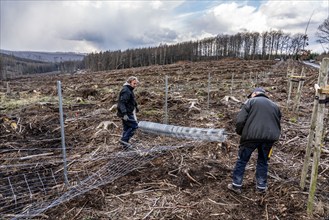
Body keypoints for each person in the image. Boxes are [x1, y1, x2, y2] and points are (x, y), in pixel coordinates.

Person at [228, 87, 281, 194]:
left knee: (242, 160)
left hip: (250, 137)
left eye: (251, 94)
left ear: (255, 93)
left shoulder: (250, 102)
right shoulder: (275, 106)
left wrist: (240, 132)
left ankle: (236, 185)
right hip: (269, 139)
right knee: (263, 161)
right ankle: (261, 186)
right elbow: (278, 121)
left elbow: (240, 120)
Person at [117, 76, 139, 150]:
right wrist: (124, 114)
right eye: (134, 83)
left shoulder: (129, 89)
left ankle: (125, 146)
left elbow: (131, 100)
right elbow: (122, 103)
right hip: (126, 113)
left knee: (126, 128)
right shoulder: (126, 90)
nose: (135, 85)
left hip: (127, 112)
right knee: (134, 126)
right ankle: (124, 140)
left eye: (136, 84)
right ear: (130, 82)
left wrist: (136, 107)